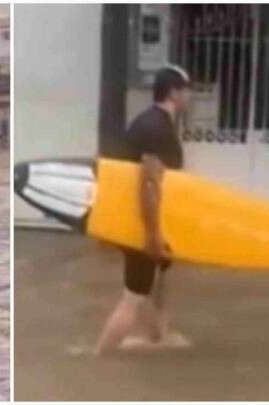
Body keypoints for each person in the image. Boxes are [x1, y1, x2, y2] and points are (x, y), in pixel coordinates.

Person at [95, 65, 192, 355]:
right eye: (187, 89)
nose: (190, 95)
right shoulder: (155, 127)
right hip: (141, 223)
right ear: (173, 92)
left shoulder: (160, 122)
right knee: (134, 295)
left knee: (159, 281)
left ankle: (158, 338)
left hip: (155, 221)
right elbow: (149, 183)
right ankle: (98, 358)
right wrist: (151, 235)